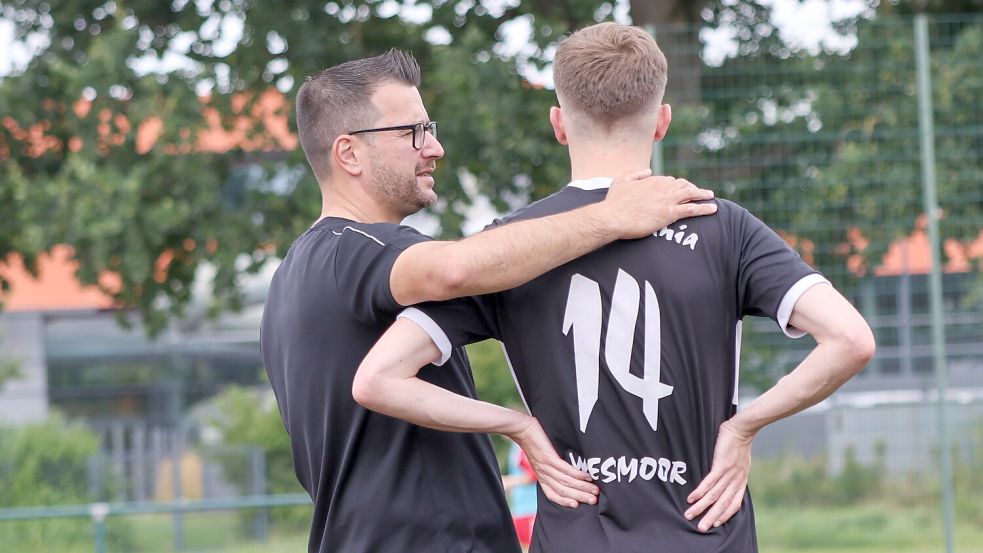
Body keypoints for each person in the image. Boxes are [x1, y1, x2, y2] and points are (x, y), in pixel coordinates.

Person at [353, 23, 876, 553]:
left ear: (559, 124)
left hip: (575, 537)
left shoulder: (508, 246)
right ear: (662, 121)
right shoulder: (723, 226)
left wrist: (516, 426)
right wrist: (744, 428)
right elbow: (851, 340)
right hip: (708, 532)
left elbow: (378, 379)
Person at [260, 48, 718, 553]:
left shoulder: (290, 278)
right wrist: (610, 217)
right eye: (412, 132)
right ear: (348, 153)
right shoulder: (359, 251)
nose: (434, 147)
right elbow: (454, 268)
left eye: (430, 128)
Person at [502, 440, 538, 550]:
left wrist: (507, 482)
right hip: (520, 510)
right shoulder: (515, 447)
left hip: (531, 510)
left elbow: (534, 474)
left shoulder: (523, 444)